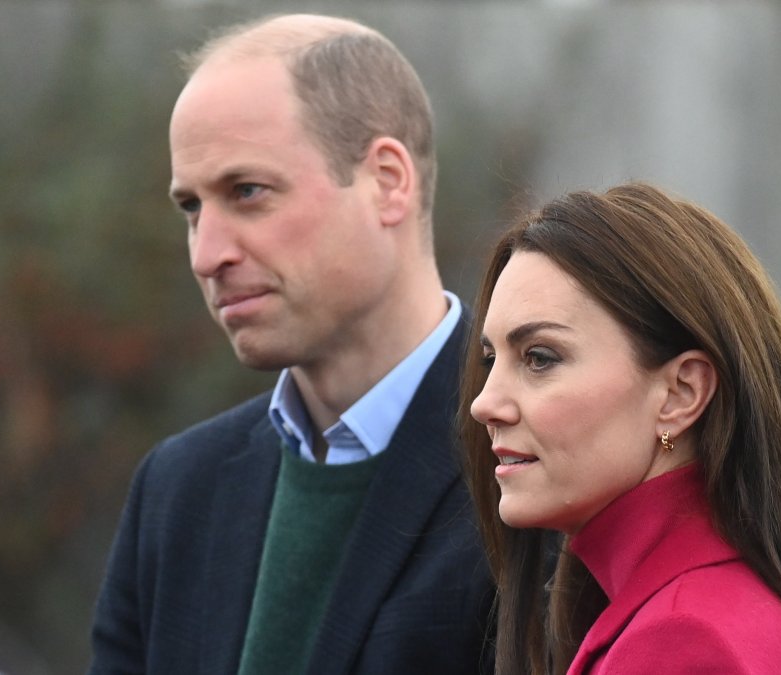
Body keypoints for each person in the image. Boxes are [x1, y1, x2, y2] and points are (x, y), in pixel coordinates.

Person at [89, 14, 494, 674]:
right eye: (191, 208)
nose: (206, 254)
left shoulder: (528, 464)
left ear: (388, 181)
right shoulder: (176, 490)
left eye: (247, 192)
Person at [460, 182, 781, 674]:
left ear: (681, 394)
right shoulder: (713, 608)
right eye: (490, 360)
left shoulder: (679, 640)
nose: (485, 404)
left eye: (539, 358)